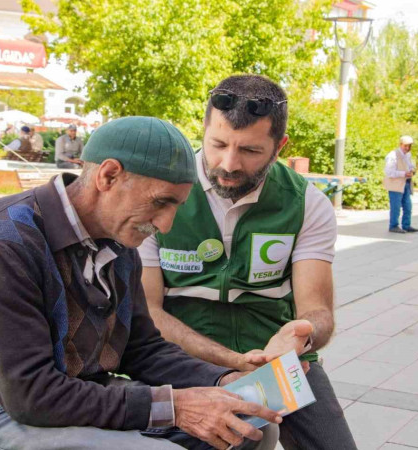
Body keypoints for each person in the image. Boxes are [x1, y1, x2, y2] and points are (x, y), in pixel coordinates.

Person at [0, 116, 282, 450]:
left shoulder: (120, 245)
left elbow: (143, 349)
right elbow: (31, 395)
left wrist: (225, 381)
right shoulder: (1, 242)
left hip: (80, 394)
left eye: (176, 207)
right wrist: (177, 406)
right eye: (160, 203)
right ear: (108, 176)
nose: (166, 224)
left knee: (247, 428)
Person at [138, 75, 357, 450]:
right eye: (217, 144)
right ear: (203, 129)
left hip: (278, 358)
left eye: (251, 151)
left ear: (280, 146)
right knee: (225, 442)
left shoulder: (306, 203)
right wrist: (232, 362)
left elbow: (318, 311)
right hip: (180, 357)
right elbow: (148, 313)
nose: (228, 163)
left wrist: (302, 334)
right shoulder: (160, 191)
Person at [383, 135, 418, 234]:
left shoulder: (408, 155)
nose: (407, 148)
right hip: (395, 184)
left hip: (406, 183)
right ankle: (393, 225)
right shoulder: (393, 155)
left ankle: (406, 225)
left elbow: (410, 165)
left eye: (409, 146)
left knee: (408, 206)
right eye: (405, 146)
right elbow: (389, 172)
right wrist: (403, 173)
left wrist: (412, 170)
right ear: (400, 144)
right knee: (396, 206)